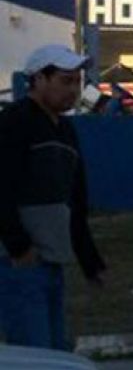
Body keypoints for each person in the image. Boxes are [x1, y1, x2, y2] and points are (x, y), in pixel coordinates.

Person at [0, 45, 107, 350]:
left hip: (52, 260)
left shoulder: (65, 130)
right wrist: (19, 246)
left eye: (77, 81)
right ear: (38, 80)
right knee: (33, 353)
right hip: (18, 263)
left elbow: (75, 201)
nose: (73, 90)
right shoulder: (14, 121)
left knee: (55, 350)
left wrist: (89, 261)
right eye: (65, 81)